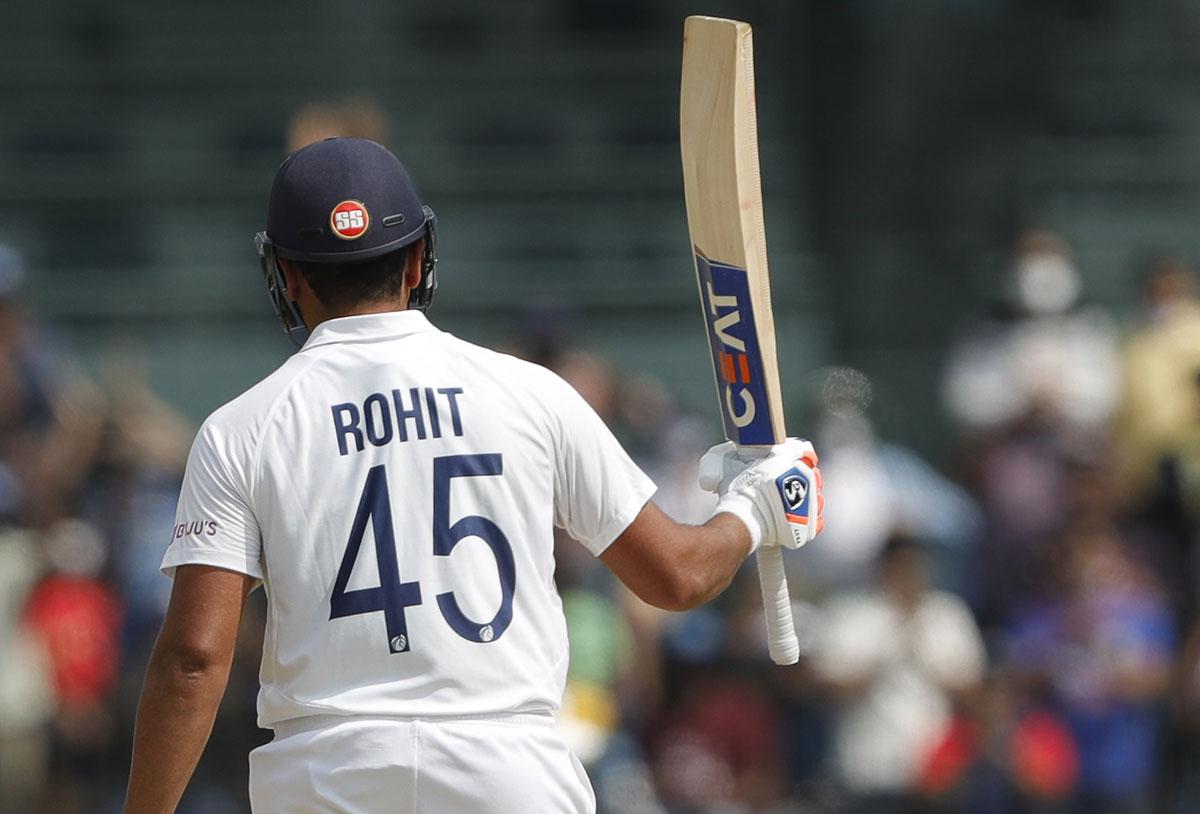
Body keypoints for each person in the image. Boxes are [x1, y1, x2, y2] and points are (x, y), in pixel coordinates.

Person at [122, 137, 824, 813]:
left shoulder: (242, 428)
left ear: (287, 273)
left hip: (329, 776)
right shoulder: (531, 393)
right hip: (508, 770)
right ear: (421, 254)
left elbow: (192, 660)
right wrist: (756, 508)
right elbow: (678, 575)